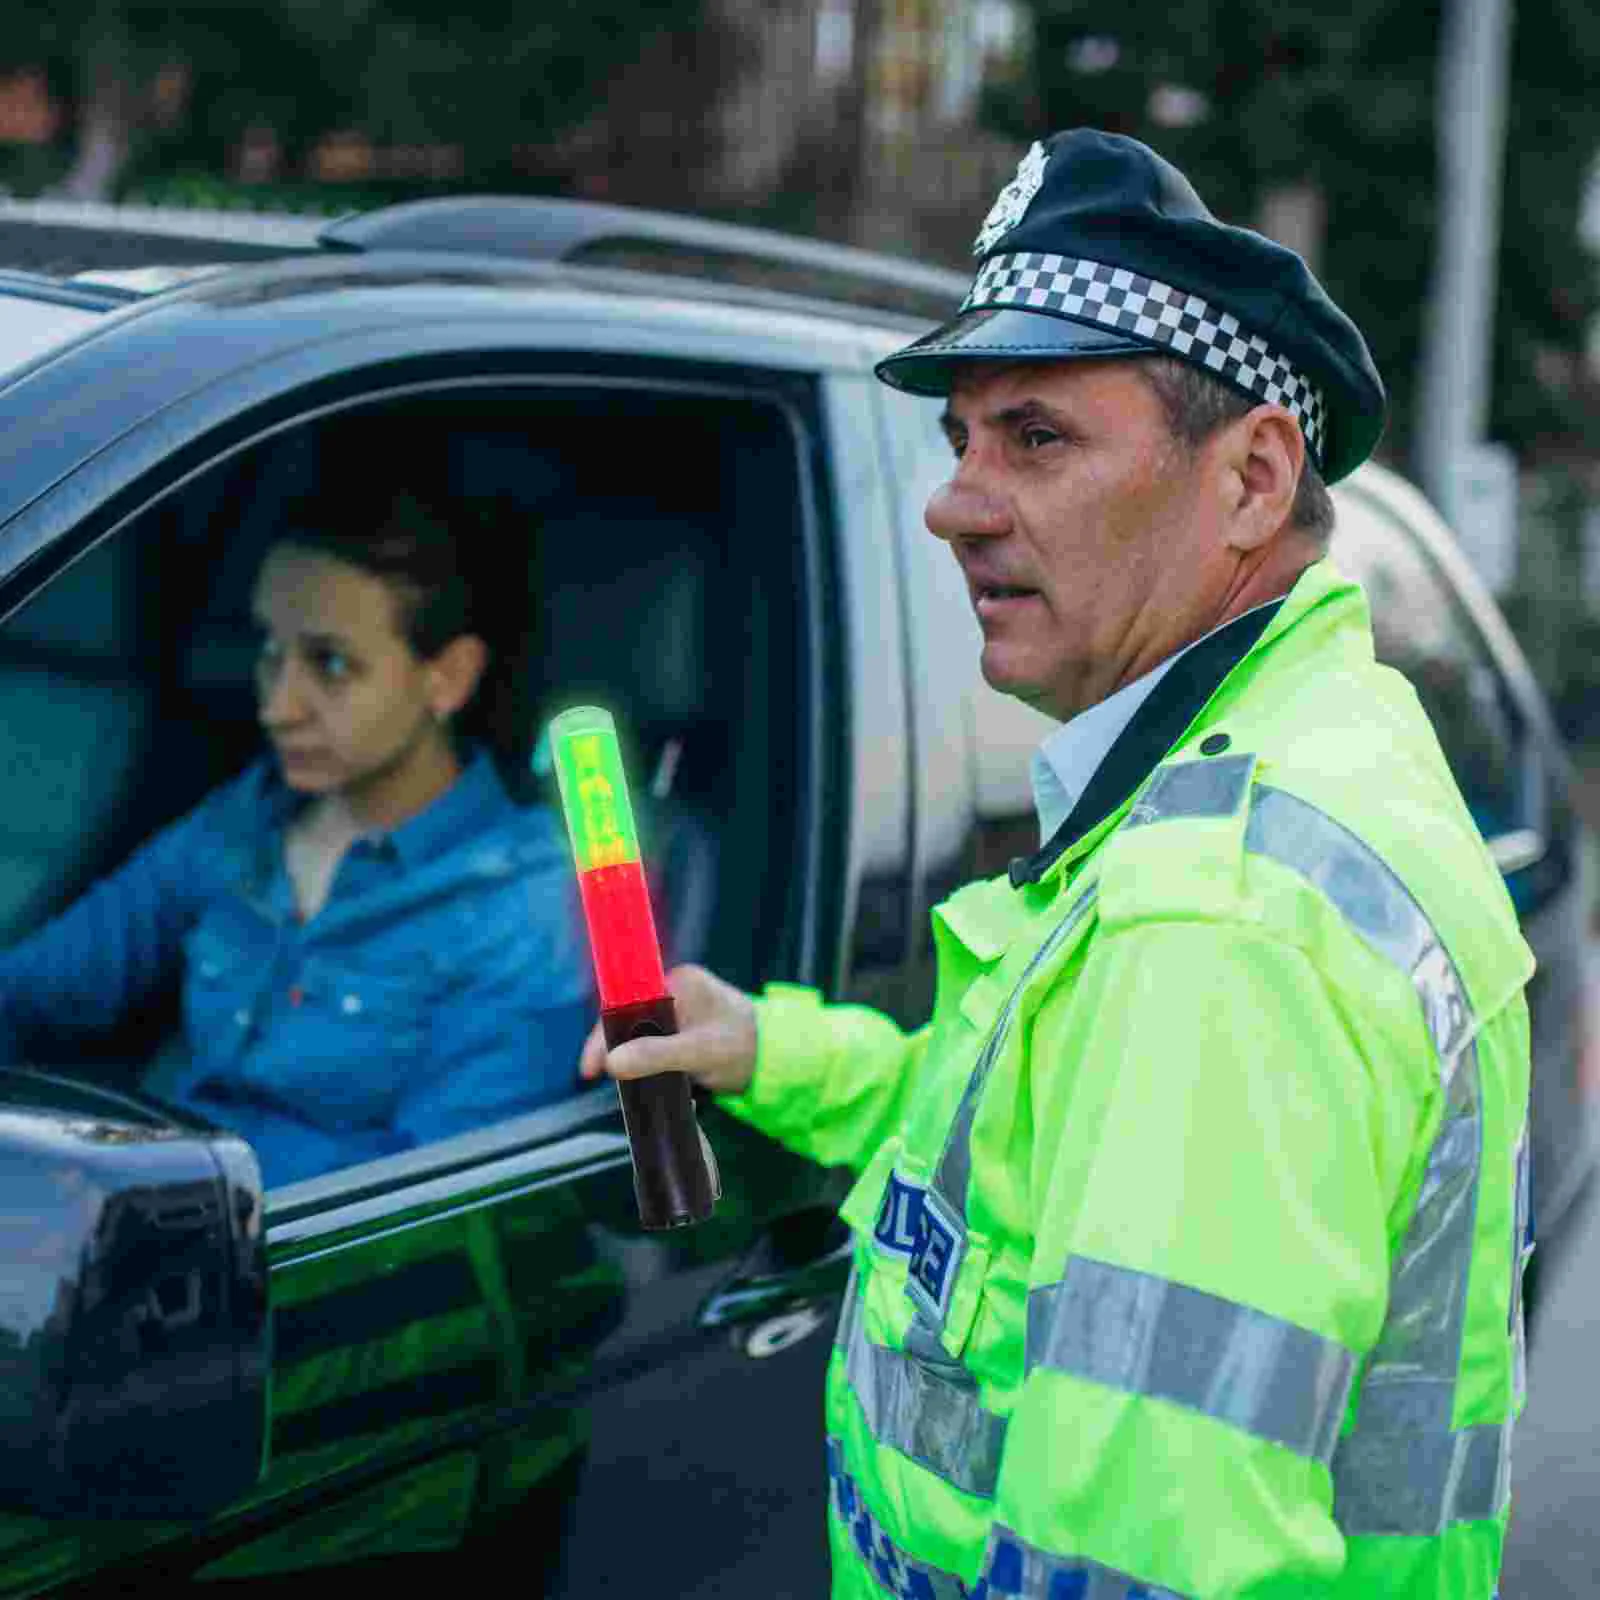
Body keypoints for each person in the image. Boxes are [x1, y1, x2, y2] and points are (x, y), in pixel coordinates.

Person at [581, 129, 1533, 1597]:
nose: (954, 501)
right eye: (959, 439)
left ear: (1250, 481)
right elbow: (1035, 1167)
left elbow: (1135, 1565)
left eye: (1036, 437)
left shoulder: (1220, 923)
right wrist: (773, 1050)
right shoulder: (1237, 776)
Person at [0, 487, 592, 1187]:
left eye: (331, 664)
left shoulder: (519, 910)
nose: (277, 706)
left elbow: (425, 1216)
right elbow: (36, 988)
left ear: (449, 677)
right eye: (270, 651)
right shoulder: (246, 817)